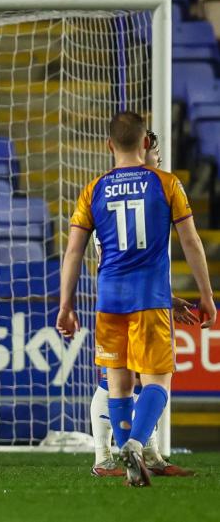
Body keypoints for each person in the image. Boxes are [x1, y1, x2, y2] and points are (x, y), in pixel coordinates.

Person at [58, 112, 216, 487]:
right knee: (158, 383)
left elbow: (73, 252)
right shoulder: (166, 183)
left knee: (119, 386)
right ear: (147, 143)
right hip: (149, 300)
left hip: (108, 303)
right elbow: (191, 242)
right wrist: (206, 295)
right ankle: (134, 444)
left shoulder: (92, 189)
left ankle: (127, 453)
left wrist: (65, 305)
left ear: (109, 145)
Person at [89, 129, 197, 478]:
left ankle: (145, 453)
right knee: (118, 382)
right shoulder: (138, 194)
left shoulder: (126, 196)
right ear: (141, 149)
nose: (159, 163)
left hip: (129, 299)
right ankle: (104, 457)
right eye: (156, 156)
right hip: (130, 301)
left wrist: (169, 298)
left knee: (129, 381)